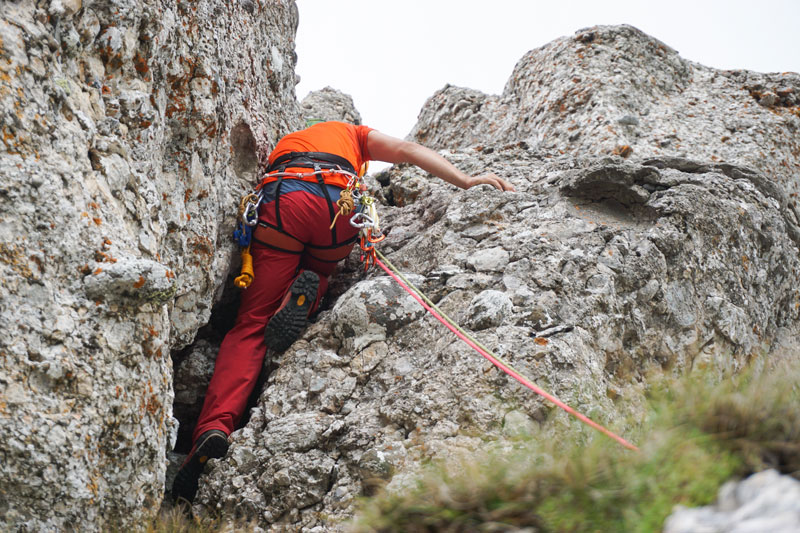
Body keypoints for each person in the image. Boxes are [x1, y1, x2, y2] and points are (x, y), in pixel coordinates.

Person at [171, 121, 515, 503]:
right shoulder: (355, 135)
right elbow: (408, 151)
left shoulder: (289, 142)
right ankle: (307, 294)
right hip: (339, 208)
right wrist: (466, 180)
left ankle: (214, 428)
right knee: (319, 271)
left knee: (250, 324)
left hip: (288, 195)